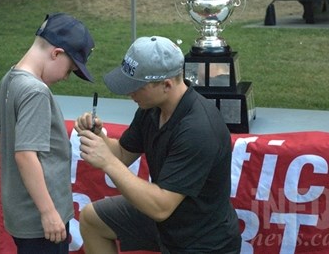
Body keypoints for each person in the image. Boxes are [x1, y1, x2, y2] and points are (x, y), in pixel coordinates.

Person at [75, 36, 241, 253]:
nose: (129, 93)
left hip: (201, 242)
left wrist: (107, 162)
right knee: (92, 219)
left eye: (136, 86)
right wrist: (100, 138)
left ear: (166, 85)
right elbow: (124, 153)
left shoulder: (198, 130)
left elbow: (161, 207)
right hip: (167, 221)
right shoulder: (151, 107)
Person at [0, 12, 94, 253]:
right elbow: (25, 155)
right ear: (56, 53)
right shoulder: (36, 92)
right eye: (70, 69)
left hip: (21, 213)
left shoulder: (9, 79)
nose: (66, 77)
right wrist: (48, 212)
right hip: (43, 220)